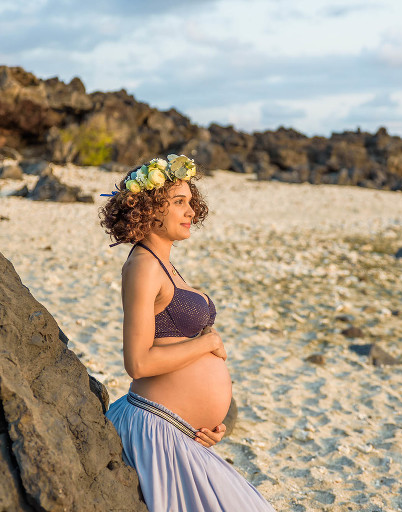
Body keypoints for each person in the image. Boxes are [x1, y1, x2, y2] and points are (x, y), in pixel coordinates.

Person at [98, 155, 274, 512]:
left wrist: (213, 422)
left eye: (191, 202)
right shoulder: (144, 265)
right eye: (179, 202)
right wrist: (206, 343)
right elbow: (138, 362)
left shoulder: (165, 264)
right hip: (156, 428)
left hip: (182, 432)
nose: (190, 211)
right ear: (147, 207)